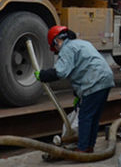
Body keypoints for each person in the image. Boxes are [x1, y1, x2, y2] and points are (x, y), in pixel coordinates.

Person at [35, 25, 114, 153]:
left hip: (94, 82)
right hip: (105, 80)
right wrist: (78, 95)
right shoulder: (82, 43)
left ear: (57, 41)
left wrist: (43, 75)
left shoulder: (67, 49)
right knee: (93, 117)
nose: (57, 50)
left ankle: (82, 149)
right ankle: (89, 147)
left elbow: (61, 72)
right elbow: (82, 68)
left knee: (85, 117)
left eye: (55, 47)